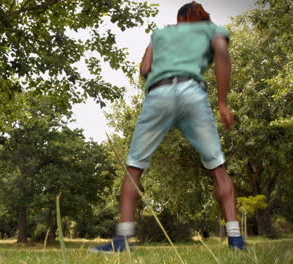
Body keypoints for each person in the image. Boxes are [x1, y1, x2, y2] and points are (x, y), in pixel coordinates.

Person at [91, 1, 245, 253]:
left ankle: (122, 240)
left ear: (180, 19)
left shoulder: (160, 33)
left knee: (134, 167)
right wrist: (223, 103)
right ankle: (236, 239)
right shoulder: (214, 30)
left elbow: (144, 69)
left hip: (159, 94)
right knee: (217, 167)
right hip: (192, 93)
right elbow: (222, 54)